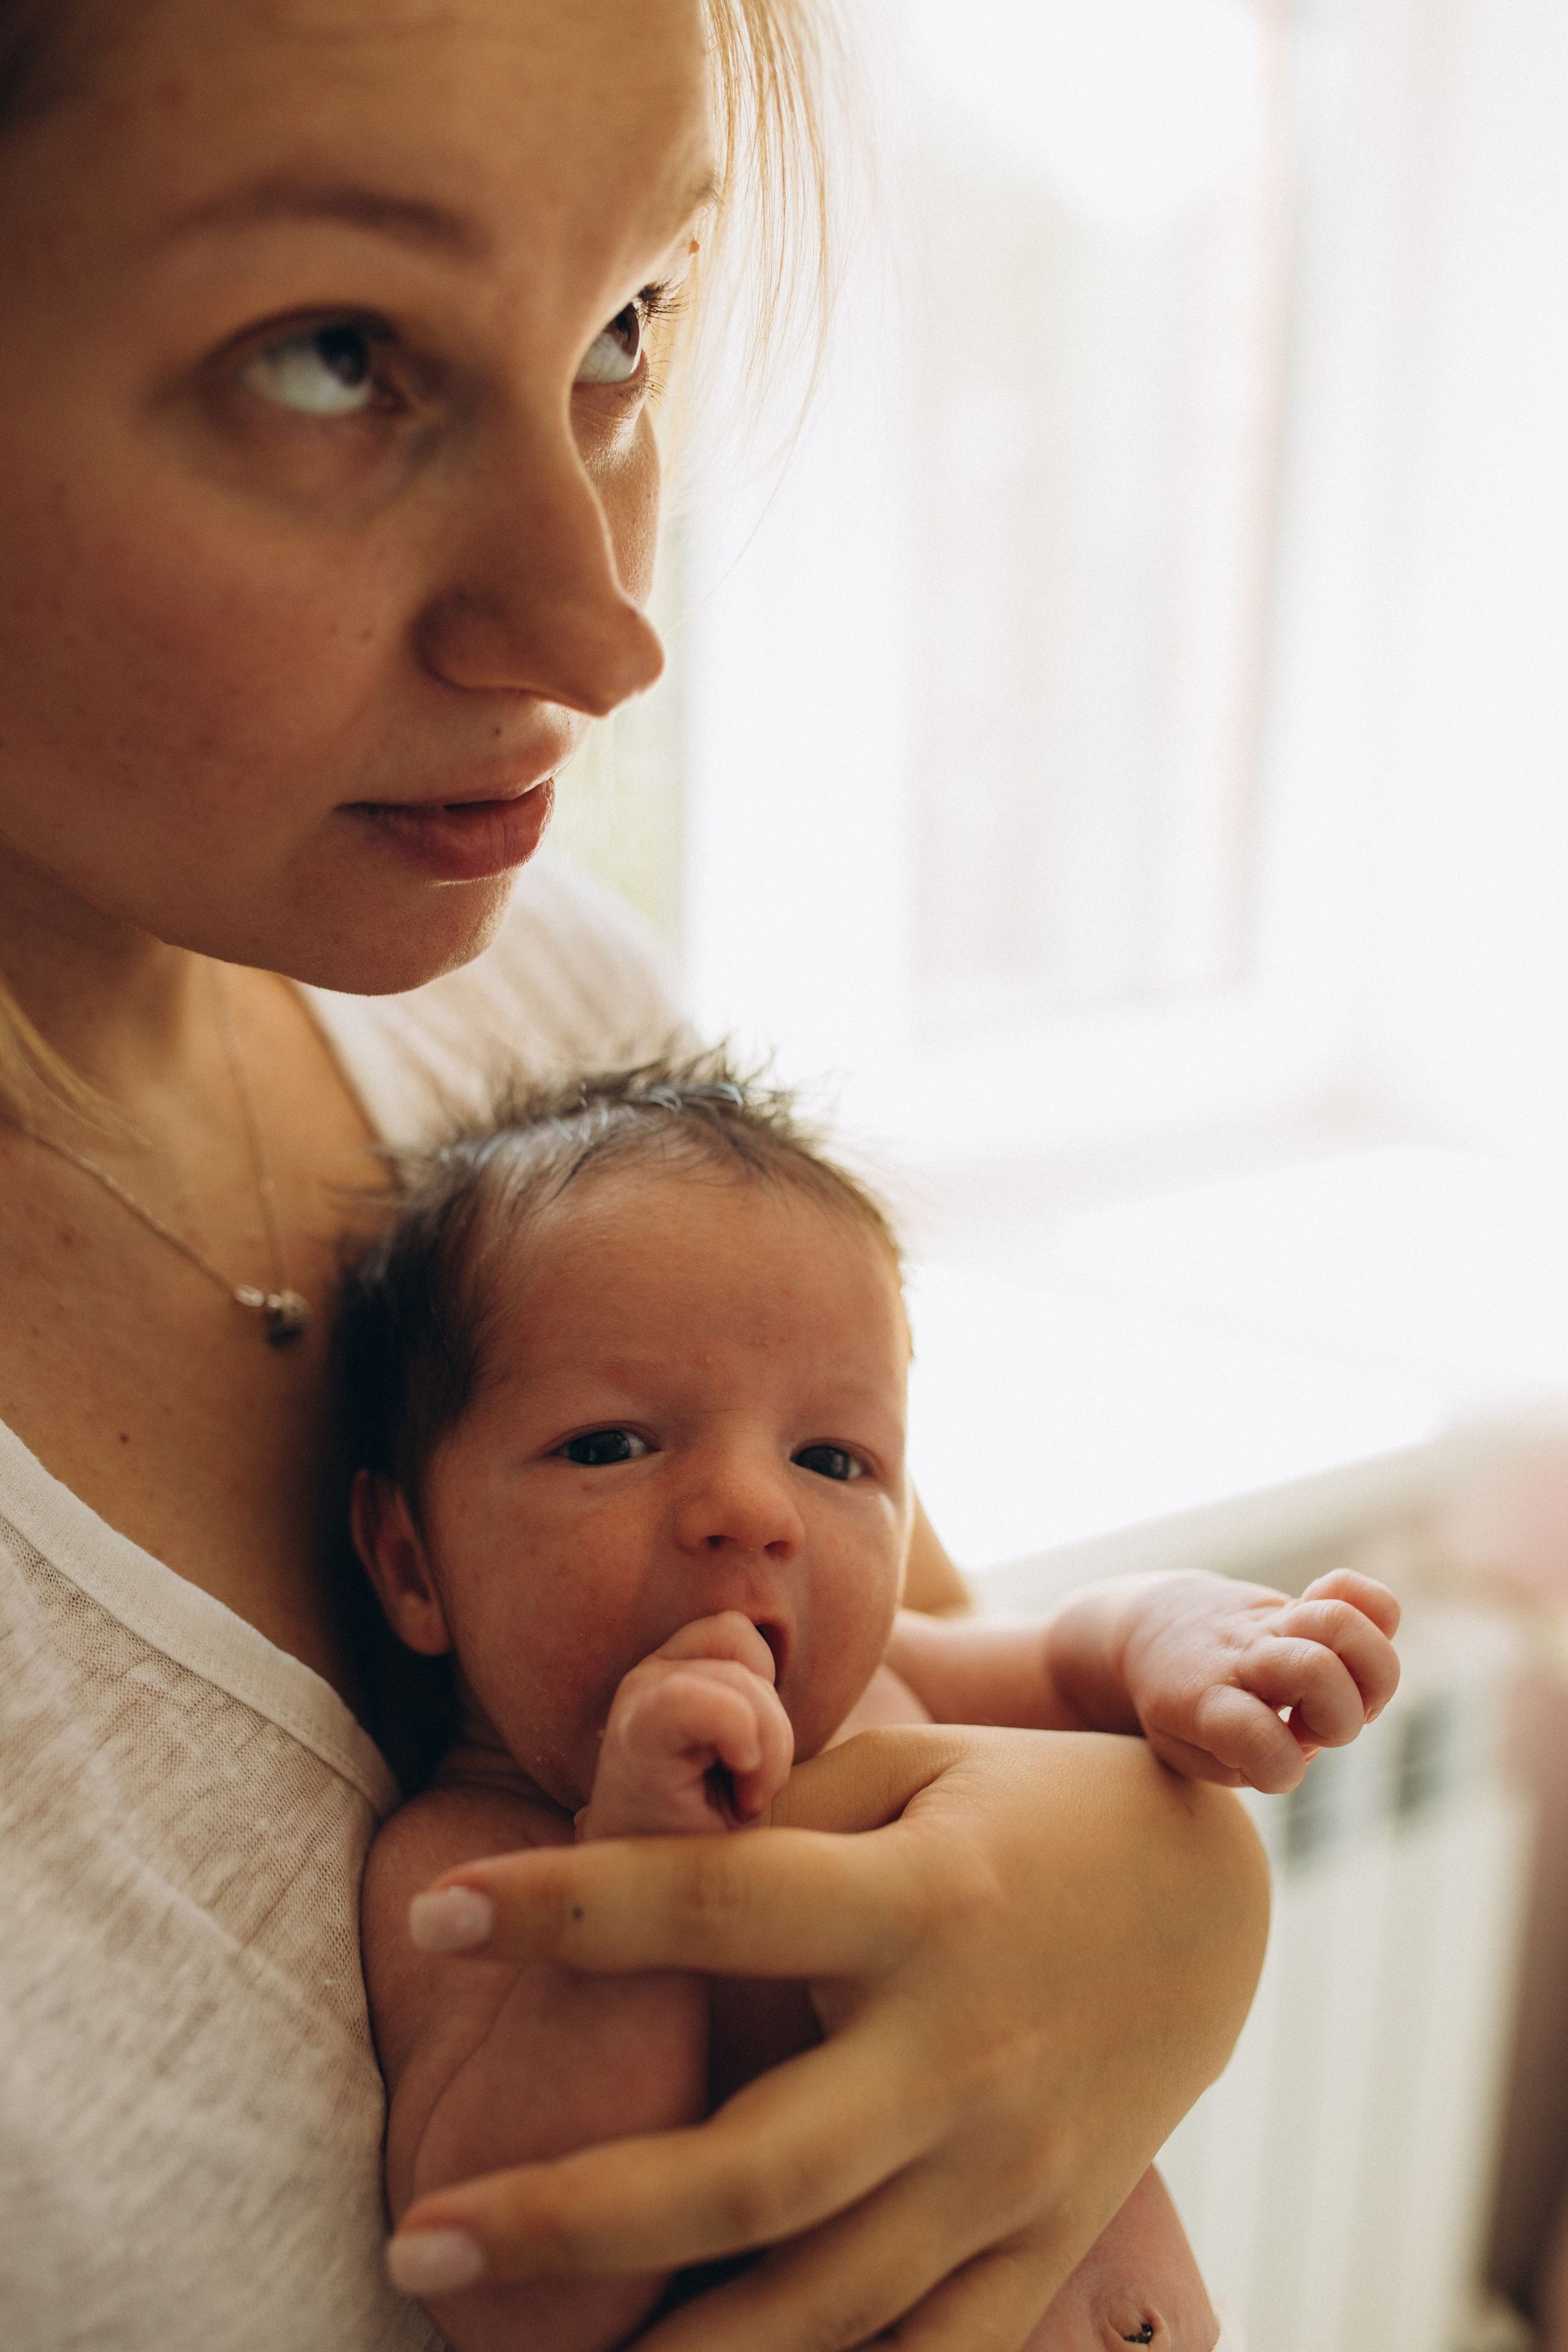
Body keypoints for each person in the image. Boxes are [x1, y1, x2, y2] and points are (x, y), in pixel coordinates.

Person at [0, 2, 1270, 2346]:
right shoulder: (478, 1862)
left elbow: (934, 1685)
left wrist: (1180, 1900)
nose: (606, 632)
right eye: (333, 358)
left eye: (622, 329)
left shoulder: (540, 1022)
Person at [340, 1062, 1401, 2352]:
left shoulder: (888, 1681)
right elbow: (522, 2290)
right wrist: (635, 1868)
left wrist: (1179, 1632)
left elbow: (1069, 1662)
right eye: (611, 1444)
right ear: (411, 1564)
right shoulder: (468, 1870)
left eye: (832, 1459)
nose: (754, 1509)